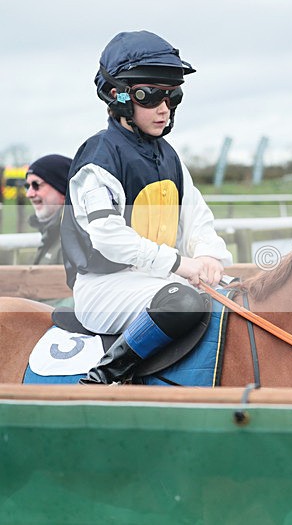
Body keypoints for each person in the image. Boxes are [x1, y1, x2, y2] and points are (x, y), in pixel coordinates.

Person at [60, 30, 232, 385]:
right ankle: (106, 377)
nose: (164, 108)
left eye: (172, 97)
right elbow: (109, 237)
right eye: (151, 96)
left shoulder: (169, 156)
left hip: (157, 279)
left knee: (236, 296)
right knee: (183, 303)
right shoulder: (98, 158)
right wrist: (182, 264)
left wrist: (210, 256)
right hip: (104, 287)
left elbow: (197, 217)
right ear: (118, 96)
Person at [25, 154, 72, 265]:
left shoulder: (72, 243)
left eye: (36, 185)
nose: (29, 194)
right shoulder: (52, 234)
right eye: (27, 186)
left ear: (63, 190)